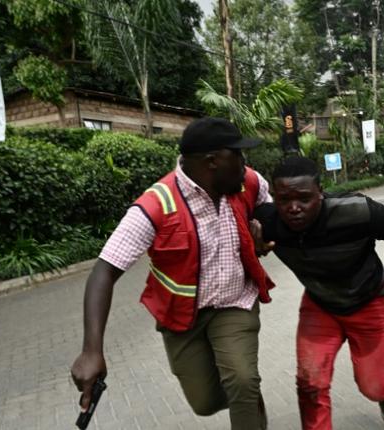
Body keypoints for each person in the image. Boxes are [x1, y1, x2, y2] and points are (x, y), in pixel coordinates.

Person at [70, 117, 276, 430]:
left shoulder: (246, 181)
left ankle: (246, 399)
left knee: (243, 381)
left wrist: (260, 230)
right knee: (204, 402)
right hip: (183, 319)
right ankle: (243, 398)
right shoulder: (156, 204)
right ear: (213, 162)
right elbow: (104, 271)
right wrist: (91, 350)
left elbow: (267, 207)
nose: (246, 164)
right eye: (238, 156)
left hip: (236, 302)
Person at [252, 156, 384, 429]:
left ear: (320, 193)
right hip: (320, 305)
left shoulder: (355, 210)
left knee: (372, 386)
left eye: (303, 198)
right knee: (310, 382)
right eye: (283, 200)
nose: (293, 208)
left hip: (370, 301)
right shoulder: (267, 222)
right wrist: (254, 243)